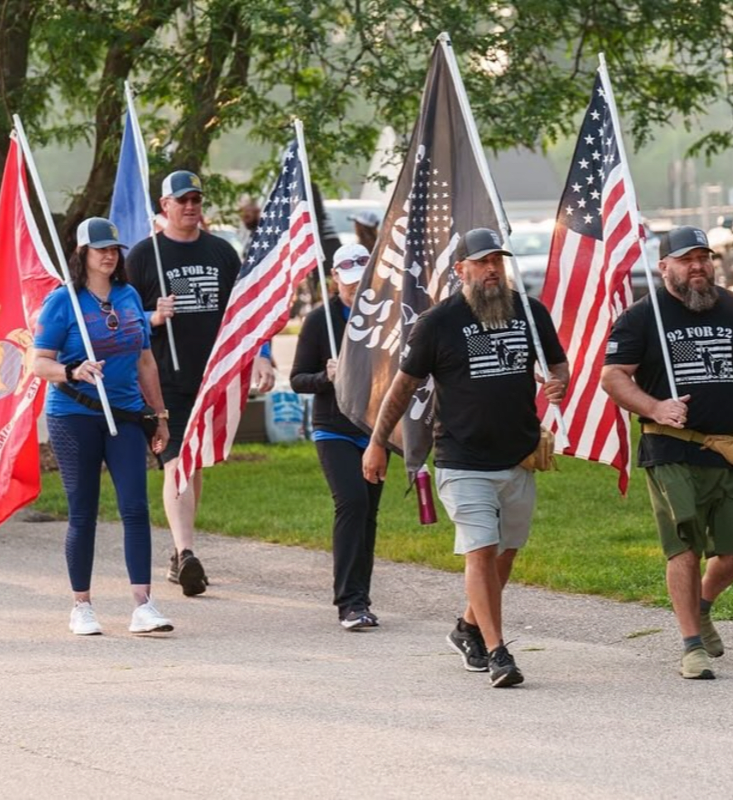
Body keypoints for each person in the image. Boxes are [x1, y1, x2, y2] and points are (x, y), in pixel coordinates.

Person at [362, 228, 568, 686]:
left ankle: (468, 627)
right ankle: (498, 653)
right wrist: (378, 442)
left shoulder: (529, 313)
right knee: (481, 551)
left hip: (517, 456)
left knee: (506, 555)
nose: (492, 269)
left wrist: (558, 382)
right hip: (461, 458)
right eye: (482, 261)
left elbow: (557, 363)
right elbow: (403, 387)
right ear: (461, 271)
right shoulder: (439, 323)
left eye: (497, 260)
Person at [601, 226, 733, 680]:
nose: (697, 266)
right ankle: (691, 644)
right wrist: (655, 406)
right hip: (670, 450)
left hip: (730, 450)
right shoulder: (644, 317)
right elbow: (614, 377)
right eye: (686, 259)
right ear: (664, 267)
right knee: (684, 548)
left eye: (704, 257)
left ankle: (700, 605)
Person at [126, 170, 274, 597]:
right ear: (164, 206)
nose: (191, 206)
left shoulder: (221, 253)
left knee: (195, 461)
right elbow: (120, 320)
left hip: (213, 379)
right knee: (175, 460)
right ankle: (187, 552)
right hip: (162, 380)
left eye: (196, 199)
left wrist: (261, 355)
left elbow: (246, 312)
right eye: (182, 200)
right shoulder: (143, 256)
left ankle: (179, 551)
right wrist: (153, 316)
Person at [33, 217, 173, 635]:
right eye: (100, 249)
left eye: (114, 248)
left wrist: (160, 415)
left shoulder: (129, 296)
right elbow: (36, 362)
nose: (109, 255)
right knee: (83, 511)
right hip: (74, 415)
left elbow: (145, 361)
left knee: (135, 507)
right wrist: (72, 370)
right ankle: (82, 605)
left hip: (126, 414)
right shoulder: (64, 301)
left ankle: (143, 605)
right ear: (82, 254)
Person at [290, 243, 386, 630]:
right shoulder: (320, 321)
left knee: (369, 513)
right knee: (351, 502)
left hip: (375, 428)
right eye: (348, 283)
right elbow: (297, 379)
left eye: (361, 281)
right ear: (334, 279)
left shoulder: (385, 316)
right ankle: (348, 602)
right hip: (333, 428)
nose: (354, 289)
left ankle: (361, 598)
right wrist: (325, 377)